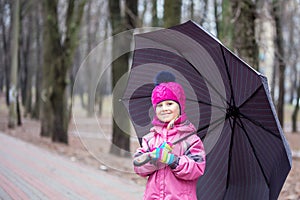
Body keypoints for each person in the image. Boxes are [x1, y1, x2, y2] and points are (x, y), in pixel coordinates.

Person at [133, 71, 206, 200]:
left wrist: (173, 160)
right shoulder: (150, 138)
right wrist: (153, 158)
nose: (164, 108)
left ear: (180, 106)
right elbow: (138, 166)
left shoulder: (190, 139)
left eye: (169, 104)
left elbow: (196, 168)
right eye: (159, 105)